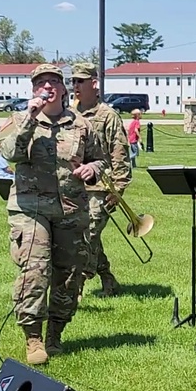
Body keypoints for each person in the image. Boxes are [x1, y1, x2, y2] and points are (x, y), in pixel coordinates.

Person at [0, 63, 110, 365]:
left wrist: (92, 169)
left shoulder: (82, 125)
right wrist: (30, 118)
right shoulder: (20, 119)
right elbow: (9, 153)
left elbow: (101, 159)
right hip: (30, 209)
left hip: (71, 209)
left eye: (53, 82)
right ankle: (33, 338)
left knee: (69, 274)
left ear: (63, 88)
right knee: (35, 269)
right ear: (34, 90)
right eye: (41, 83)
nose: (47, 87)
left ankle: (55, 334)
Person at [72, 62, 132, 298]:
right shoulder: (70, 114)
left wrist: (118, 188)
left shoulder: (108, 115)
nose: (76, 86)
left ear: (93, 84)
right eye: (73, 81)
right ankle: (108, 279)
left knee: (90, 235)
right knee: (82, 236)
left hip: (100, 187)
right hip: (73, 187)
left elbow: (119, 152)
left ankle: (76, 286)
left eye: (81, 81)